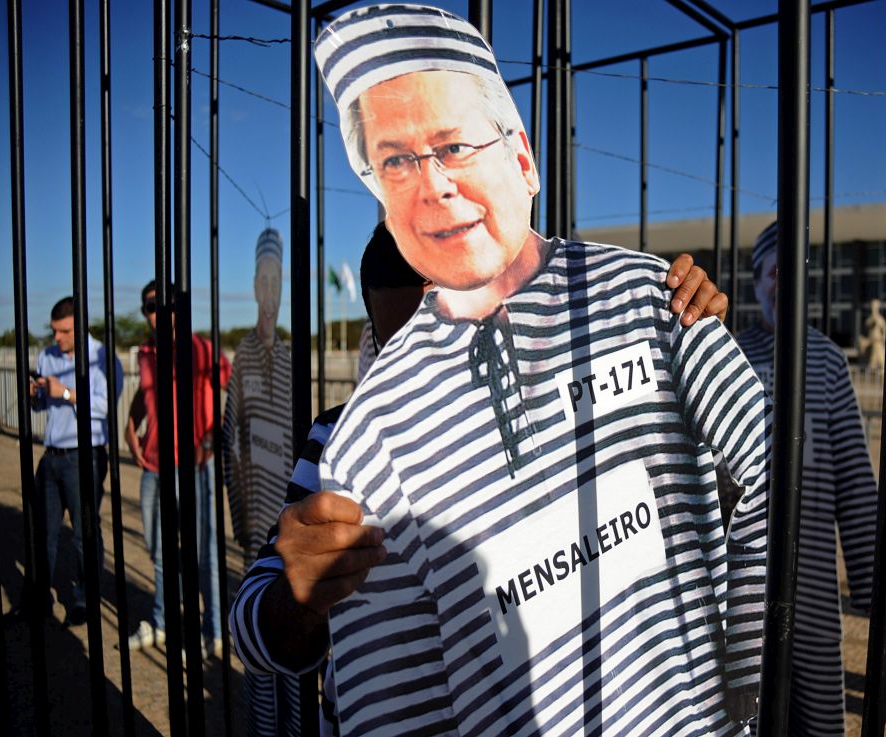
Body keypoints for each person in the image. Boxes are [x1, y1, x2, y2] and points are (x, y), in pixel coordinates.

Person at [247, 6, 771, 735]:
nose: (435, 185)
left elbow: (765, 477)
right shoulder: (355, 438)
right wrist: (299, 589)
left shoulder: (639, 303)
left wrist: (743, 687)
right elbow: (289, 640)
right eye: (396, 162)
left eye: (455, 146)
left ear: (522, 160)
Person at [230, 221, 731, 736]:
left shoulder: (567, 402)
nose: (421, 372)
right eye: (396, 352)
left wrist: (680, 339)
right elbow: (251, 634)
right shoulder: (344, 441)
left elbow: (705, 500)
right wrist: (300, 595)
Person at [735, 221, 886, 737]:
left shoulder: (828, 361)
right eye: (773, 272)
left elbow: (854, 479)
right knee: (746, 713)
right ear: (757, 281)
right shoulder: (731, 353)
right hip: (740, 584)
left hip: (810, 579)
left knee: (819, 717)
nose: (782, 283)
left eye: (793, 272)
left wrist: (875, 583)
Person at [221, 227, 301, 736]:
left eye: (277, 282)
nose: (270, 292)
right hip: (255, 523)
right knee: (257, 630)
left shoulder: (292, 359)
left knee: (292, 626)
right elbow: (229, 437)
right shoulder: (244, 355)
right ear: (254, 286)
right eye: (263, 281)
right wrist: (238, 513)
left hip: (288, 522)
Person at [125, 281, 231, 659]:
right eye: (149, 307)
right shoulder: (146, 353)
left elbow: (235, 392)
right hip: (155, 466)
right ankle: (163, 621)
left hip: (194, 467)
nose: (155, 313)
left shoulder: (201, 349)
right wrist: (130, 429)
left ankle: (214, 630)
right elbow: (147, 394)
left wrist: (211, 440)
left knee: (205, 551)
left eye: (162, 305)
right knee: (158, 550)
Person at [19, 296, 123, 626]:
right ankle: (39, 597)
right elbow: (42, 406)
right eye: (54, 331)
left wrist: (64, 392)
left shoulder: (102, 357)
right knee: (43, 531)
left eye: (64, 331)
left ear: (80, 326)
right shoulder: (47, 356)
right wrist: (36, 396)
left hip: (85, 455)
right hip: (51, 455)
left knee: (84, 532)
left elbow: (106, 405)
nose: (57, 338)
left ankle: (85, 599)